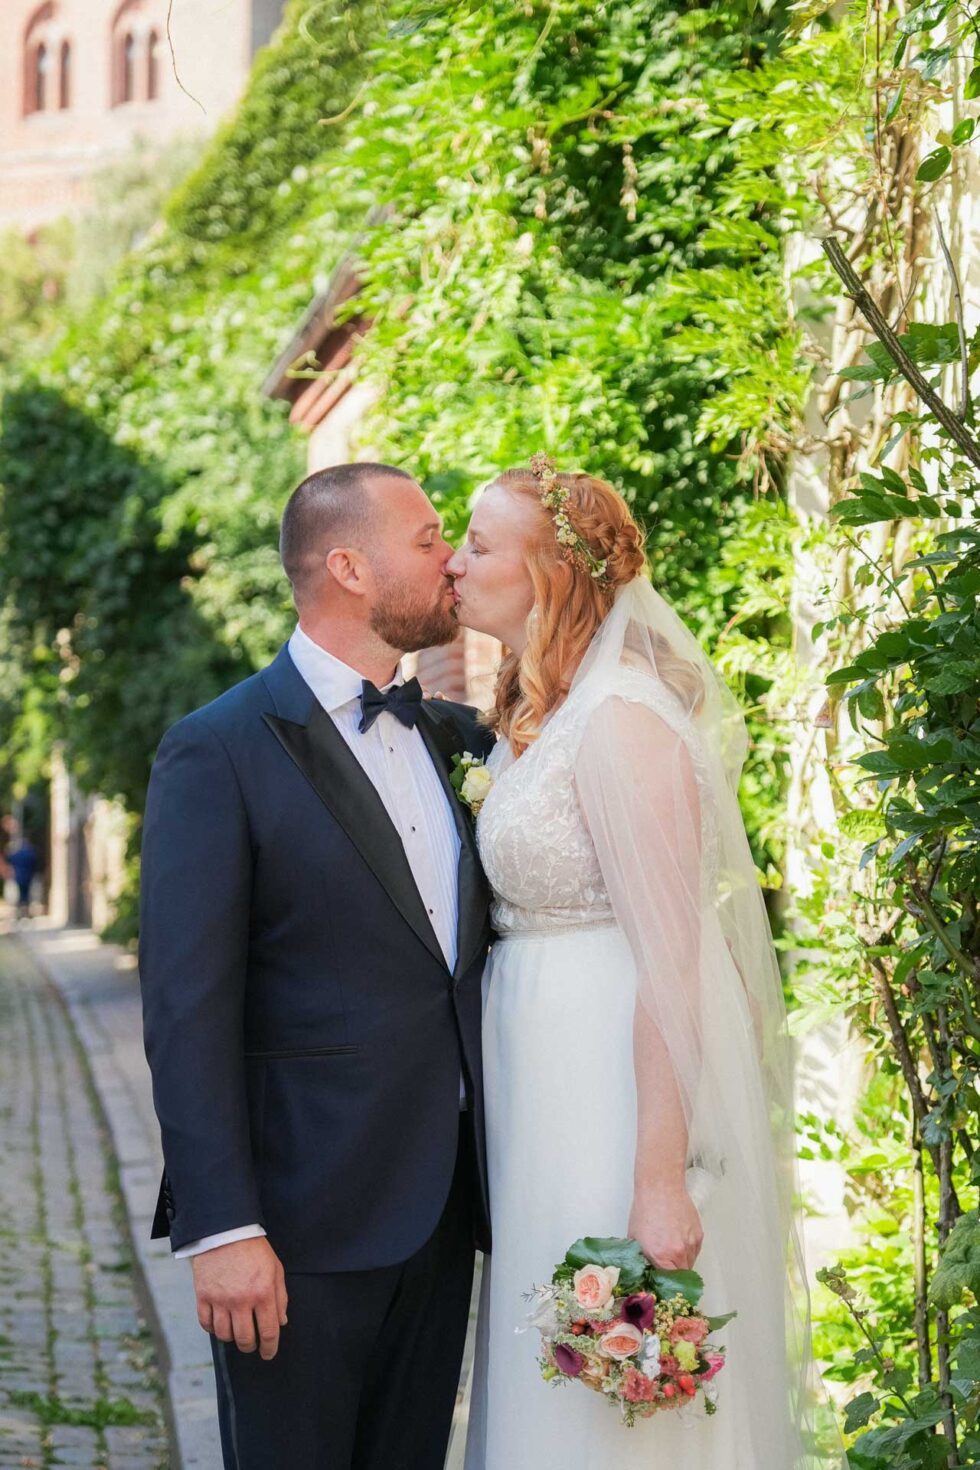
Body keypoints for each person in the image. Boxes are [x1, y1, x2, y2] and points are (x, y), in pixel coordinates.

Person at [448, 456, 846, 1469]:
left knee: (617, 1383)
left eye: (479, 544)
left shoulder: (623, 720)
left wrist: (658, 1177)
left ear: (547, 575)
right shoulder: (534, 718)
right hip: (539, 1084)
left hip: (612, 1095)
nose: (454, 564)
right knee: (552, 1358)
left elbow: (673, 962)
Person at [139, 463, 495, 1470]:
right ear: (348, 564)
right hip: (295, 1229)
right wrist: (222, 1229)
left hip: (440, 1215)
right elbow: (185, 1009)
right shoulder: (217, 750)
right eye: (427, 538)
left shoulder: (448, 735)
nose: (450, 558)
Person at [8, 837, 38, 918]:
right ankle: (26, 912)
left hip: (19, 877)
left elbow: (11, 861)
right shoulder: (30, 853)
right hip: (28, 877)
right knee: (27, 895)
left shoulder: (17, 853)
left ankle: (19, 913)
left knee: (20, 895)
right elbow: (34, 864)